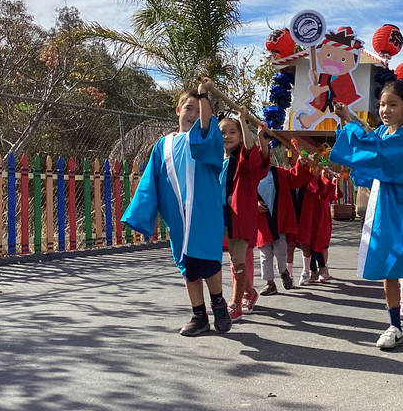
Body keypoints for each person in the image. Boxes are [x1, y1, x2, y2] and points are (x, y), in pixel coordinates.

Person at [330, 81, 403, 352]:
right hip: (384, 211)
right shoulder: (384, 133)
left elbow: (374, 152)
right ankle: (395, 325)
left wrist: (350, 123)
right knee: (387, 270)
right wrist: (348, 120)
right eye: (381, 104)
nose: (385, 110)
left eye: (392, 104)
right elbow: (371, 144)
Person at [122, 78, 231, 336]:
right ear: (178, 110)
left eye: (198, 109)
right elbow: (151, 180)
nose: (193, 114)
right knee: (188, 265)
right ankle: (199, 315)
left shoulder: (207, 134)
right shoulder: (164, 144)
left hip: (204, 212)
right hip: (179, 216)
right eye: (189, 108)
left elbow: (205, 135)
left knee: (208, 261)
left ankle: (219, 304)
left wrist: (205, 97)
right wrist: (141, 213)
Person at [219, 110, 270, 320]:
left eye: (233, 132)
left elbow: (252, 152)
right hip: (222, 216)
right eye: (223, 132)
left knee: (238, 261)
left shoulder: (243, 158)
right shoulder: (219, 159)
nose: (227, 136)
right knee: (234, 260)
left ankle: (235, 304)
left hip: (240, 216)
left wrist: (243, 120)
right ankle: (250, 292)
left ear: (240, 136)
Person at [255, 136, 313, 296]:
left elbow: (296, 178)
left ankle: (283, 272)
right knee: (265, 254)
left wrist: (300, 165)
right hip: (263, 222)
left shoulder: (279, 173)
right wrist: (255, 204)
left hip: (279, 220)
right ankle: (269, 283)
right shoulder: (251, 176)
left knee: (281, 251)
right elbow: (242, 194)